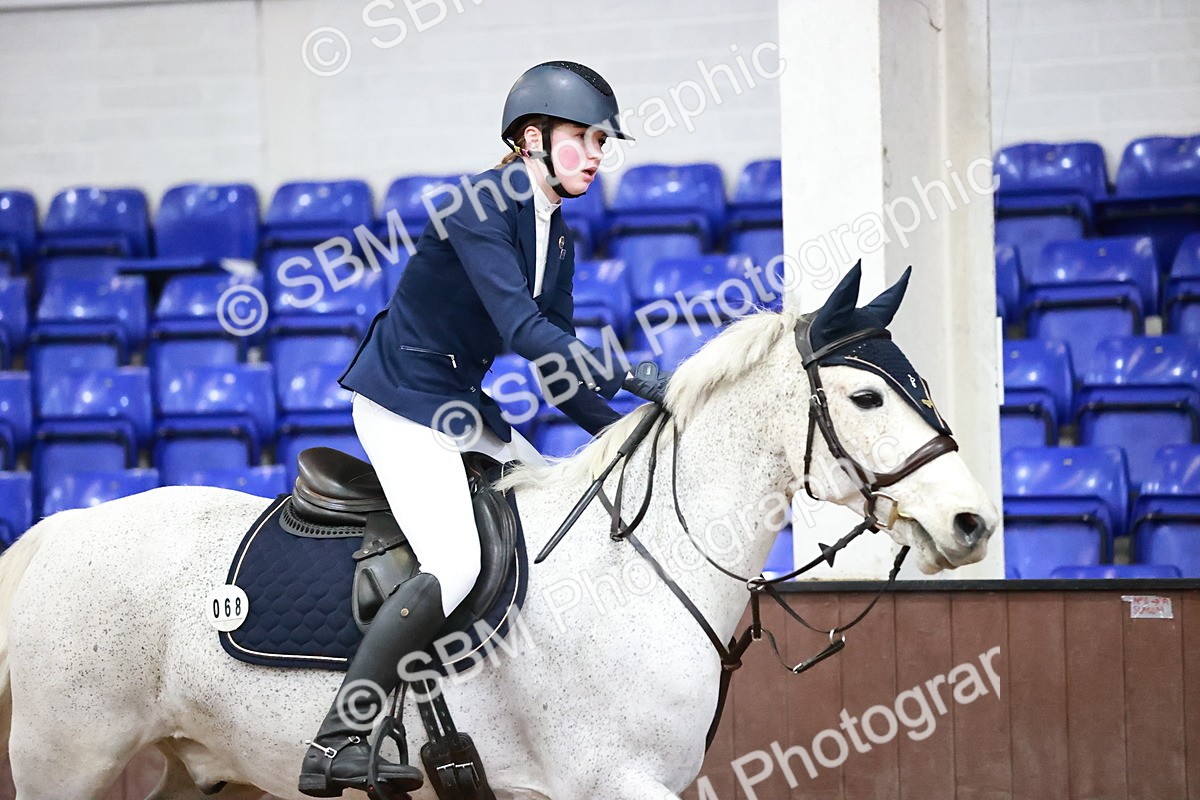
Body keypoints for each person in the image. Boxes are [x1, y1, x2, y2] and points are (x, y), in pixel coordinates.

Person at [299, 61, 670, 797]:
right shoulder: (482, 202)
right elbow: (526, 331)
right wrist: (633, 376)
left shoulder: (556, 238)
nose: (597, 154)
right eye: (584, 137)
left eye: (603, 142)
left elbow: (556, 370)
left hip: (461, 406)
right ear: (532, 139)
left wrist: (627, 433)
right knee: (458, 561)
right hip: (402, 401)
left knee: (554, 511)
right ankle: (339, 737)